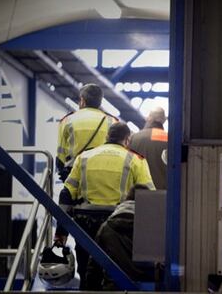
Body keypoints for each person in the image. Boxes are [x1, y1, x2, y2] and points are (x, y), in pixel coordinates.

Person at [54, 122, 155, 289]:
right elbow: (148, 197)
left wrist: (61, 232)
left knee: (87, 272)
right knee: (117, 274)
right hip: (118, 227)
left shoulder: (84, 157)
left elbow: (66, 194)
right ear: (127, 140)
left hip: (85, 224)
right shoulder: (136, 160)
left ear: (107, 137)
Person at [85, 184, 154, 291]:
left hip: (113, 289)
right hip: (147, 290)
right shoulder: (154, 229)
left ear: (126, 201)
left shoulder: (106, 227)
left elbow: (94, 267)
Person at [56, 83, 117, 182]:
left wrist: (62, 171)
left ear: (82, 100)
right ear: (100, 102)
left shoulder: (67, 120)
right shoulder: (112, 121)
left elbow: (61, 153)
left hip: (76, 173)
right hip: (103, 174)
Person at [129, 107, 168, 189]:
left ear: (148, 118)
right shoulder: (170, 139)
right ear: (163, 120)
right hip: (163, 192)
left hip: (138, 191)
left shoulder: (134, 138)